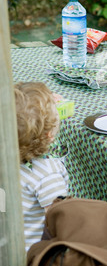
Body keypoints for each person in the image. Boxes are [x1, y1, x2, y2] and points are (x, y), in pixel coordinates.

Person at [15, 81, 69, 251]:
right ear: (49, 135)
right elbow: (60, 222)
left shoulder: (7, 162)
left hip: (7, 249)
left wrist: (40, 106)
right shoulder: (47, 175)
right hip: (33, 257)